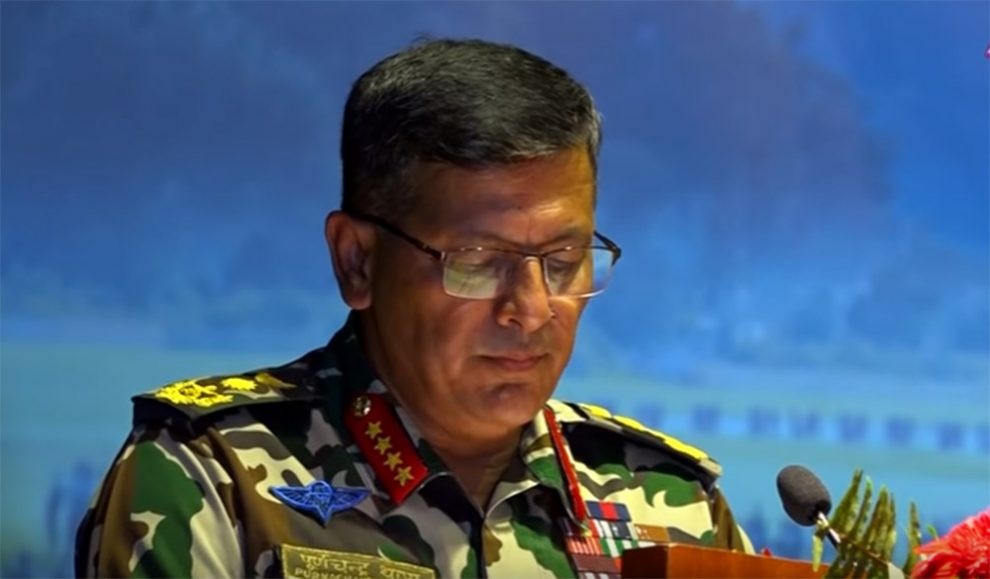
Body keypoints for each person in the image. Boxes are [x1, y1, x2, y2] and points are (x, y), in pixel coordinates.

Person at [76, 38, 751, 578]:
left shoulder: (672, 503)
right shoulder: (214, 474)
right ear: (357, 261)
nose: (530, 308)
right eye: (478, 261)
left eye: (562, 261)